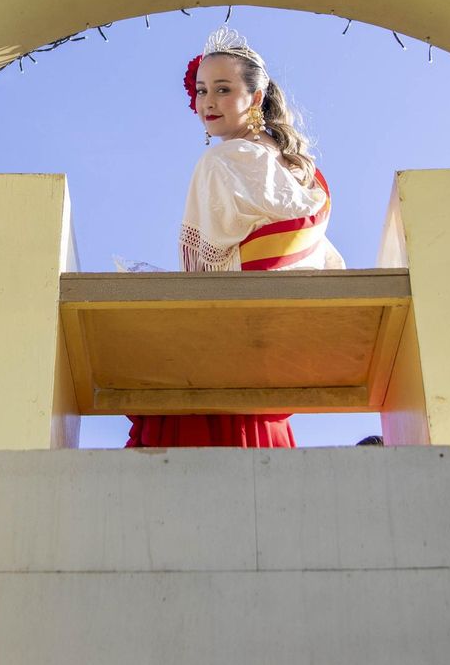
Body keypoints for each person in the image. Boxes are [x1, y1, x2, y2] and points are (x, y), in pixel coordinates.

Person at [126, 28, 344, 449]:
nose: (207, 102)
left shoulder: (221, 160)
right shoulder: (301, 176)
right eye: (202, 89)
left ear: (256, 97)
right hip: (279, 357)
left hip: (223, 353)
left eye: (222, 89)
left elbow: (205, 273)